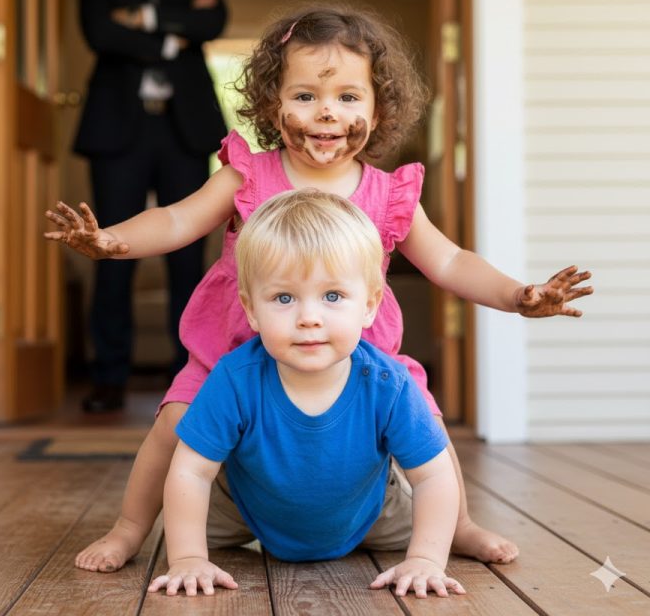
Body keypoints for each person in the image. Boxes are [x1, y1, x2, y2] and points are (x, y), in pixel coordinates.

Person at [45, 4, 592, 572]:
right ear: (272, 105)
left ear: (378, 111)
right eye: (305, 96)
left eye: (349, 98)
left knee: (422, 417)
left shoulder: (390, 194)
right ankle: (131, 527)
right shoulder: (248, 176)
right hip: (234, 347)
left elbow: (450, 261)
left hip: (355, 352)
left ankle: (461, 525)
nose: (327, 112)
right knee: (175, 420)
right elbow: (177, 221)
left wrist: (517, 295)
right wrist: (113, 241)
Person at [147, 189, 465, 598]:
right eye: (284, 298)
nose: (309, 319)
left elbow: (434, 477)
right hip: (245, 508)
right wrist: (188, 558)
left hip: (371, 514)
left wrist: (425, 559)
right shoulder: (234, 379)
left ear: (369, 306)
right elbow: (191, 470)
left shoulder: (388, 384)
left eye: (333, 296)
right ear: (251, 310)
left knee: (433, 524)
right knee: (182, 520)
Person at [73, 0, 228, 412]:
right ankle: (108, 378)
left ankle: (189, 378)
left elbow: (213, 23)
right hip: (120, 132)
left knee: (187, 259)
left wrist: (137, 20)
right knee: (113, 250)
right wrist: (172, 31)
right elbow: (98, 32)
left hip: (185, 132)